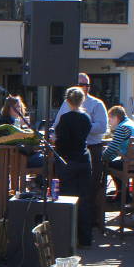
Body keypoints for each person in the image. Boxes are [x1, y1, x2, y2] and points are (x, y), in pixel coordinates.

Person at [54, 73, 107, 229]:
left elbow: (102, 127)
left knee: (89, 190)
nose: (83, 88)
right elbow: (57, 125)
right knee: (67, 189)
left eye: (86, 85)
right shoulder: (66, 105)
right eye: (79, 84)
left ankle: (89, 225)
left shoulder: (97, 104)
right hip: (70, 151)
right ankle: (70, 226)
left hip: (90, 149)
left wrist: (78, 130)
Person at [53, 87, 94, 249]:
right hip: (84, 159)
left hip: (68, 161)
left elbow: (61, 141)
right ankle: (85, 239)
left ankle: (68, 237)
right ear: (82, 100)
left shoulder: (65, 118)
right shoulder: (86, 118)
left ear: (67, 100)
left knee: (67, 199)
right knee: (84, 200)